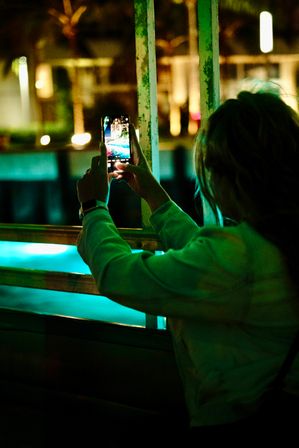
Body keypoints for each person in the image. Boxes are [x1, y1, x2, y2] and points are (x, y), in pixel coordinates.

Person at [76, 91, 299, 444]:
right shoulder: (277, 241)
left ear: (232, 175)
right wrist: (155, 196)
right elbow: (206, 261)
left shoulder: (240, 256)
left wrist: (93, 208)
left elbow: (118, 275)